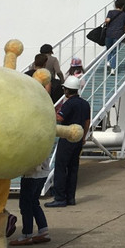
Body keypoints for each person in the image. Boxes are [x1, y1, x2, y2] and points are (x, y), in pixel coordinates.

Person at [12, 69, 54, 245]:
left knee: (26, 204)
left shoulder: (32, 120)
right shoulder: (45, 113)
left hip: (32, 172)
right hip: (43, 170)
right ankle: (43, 230)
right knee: (34, 202)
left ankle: (27, 234)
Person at [46, 75, 90, 207]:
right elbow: (87, 122)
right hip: (78, 139)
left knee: (61, 168)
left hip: (67, 138)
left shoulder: (69, 103)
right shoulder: (85, 103)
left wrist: (49, 110)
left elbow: (59, 118)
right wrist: (83, 137)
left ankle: (60, 198)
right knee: (73, 169)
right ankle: (71, 198)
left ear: (67, 90)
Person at [103, 0, 125, 75]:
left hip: (109, 34)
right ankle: (113, 69)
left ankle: (108, 62)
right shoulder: (124, 15)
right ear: (123, 6)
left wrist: (106, 21)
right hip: (118, 35)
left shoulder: (110, 12)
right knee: (115, 52)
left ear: (115, 5)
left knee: (109, 49)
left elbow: (107, 20)